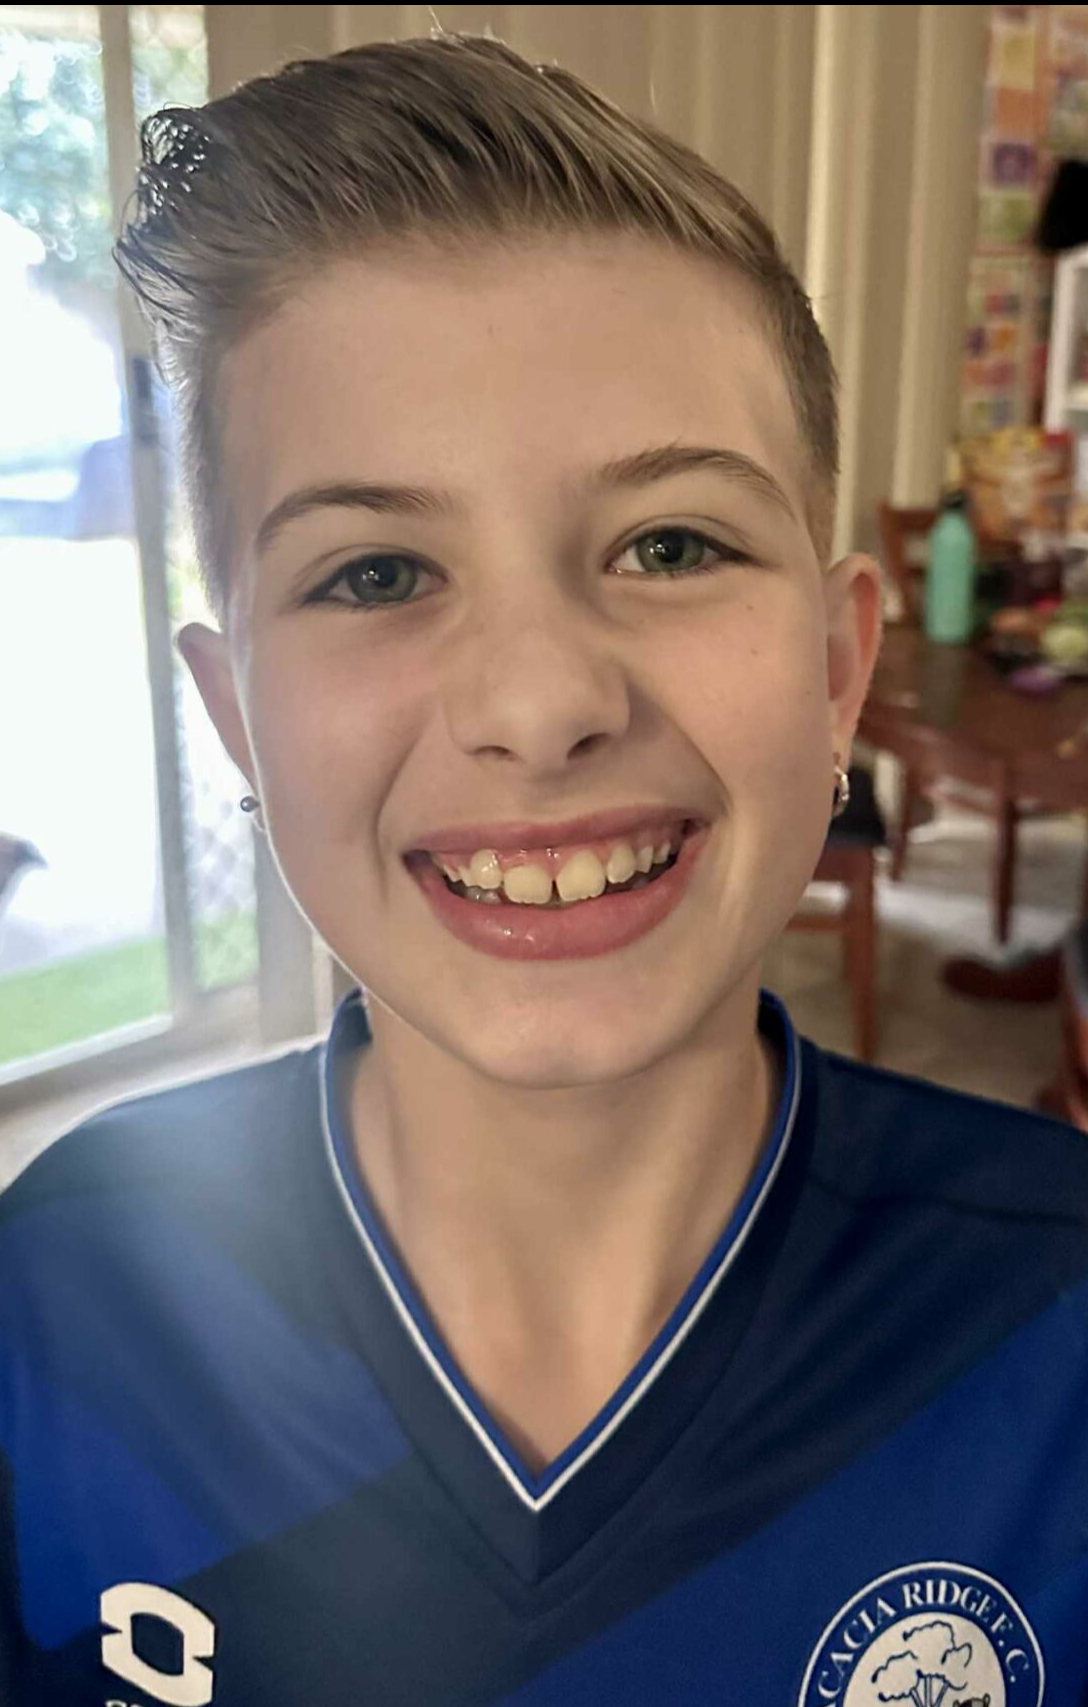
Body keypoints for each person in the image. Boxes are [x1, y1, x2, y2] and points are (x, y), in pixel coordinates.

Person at [2, 31, 1086, 1707]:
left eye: (671, 543)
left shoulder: (1054, 1320)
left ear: (834, 668)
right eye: (374, 574)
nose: (540, 704)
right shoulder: (63, 1292)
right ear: (236, 717)